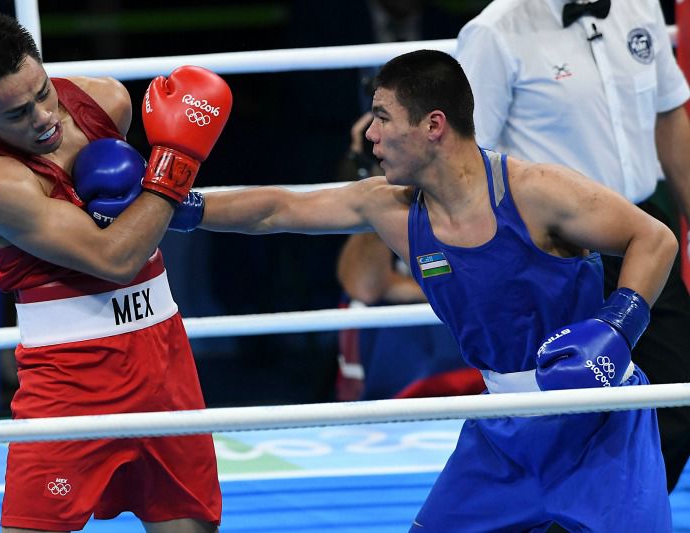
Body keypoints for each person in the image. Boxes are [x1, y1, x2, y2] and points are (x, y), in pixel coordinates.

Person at [168, 49, 678, 530]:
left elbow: (653, 237)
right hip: (502, 431)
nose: (370, 134)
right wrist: (175, 202)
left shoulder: (536, 192)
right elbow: (277, 209)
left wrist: (615, 329)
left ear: (433, 125)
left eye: (383, 117)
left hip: (598, 425)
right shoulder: (390, 208)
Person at [0, 11, 232, 533]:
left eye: (44, 92)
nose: (45, 117)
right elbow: (114, 258)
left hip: (162, 352)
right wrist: (177, 161)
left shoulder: (106, 102)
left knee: (189, 526)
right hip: (71, 378)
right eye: (18, 113)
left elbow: (138, 219)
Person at [456, 0, 690, 493]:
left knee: (676, 395)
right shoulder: (494, 33)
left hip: (645, 234)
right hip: (558, 252)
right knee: (567, 420)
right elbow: (468, 165)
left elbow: (669, 116)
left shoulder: (639, 6)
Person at [334, 112, 483, 401]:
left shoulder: (488, 183)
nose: (380, 141)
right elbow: (364, 286)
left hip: (479, 340)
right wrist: (380, 181)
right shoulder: (392, 196)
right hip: (410, 352)